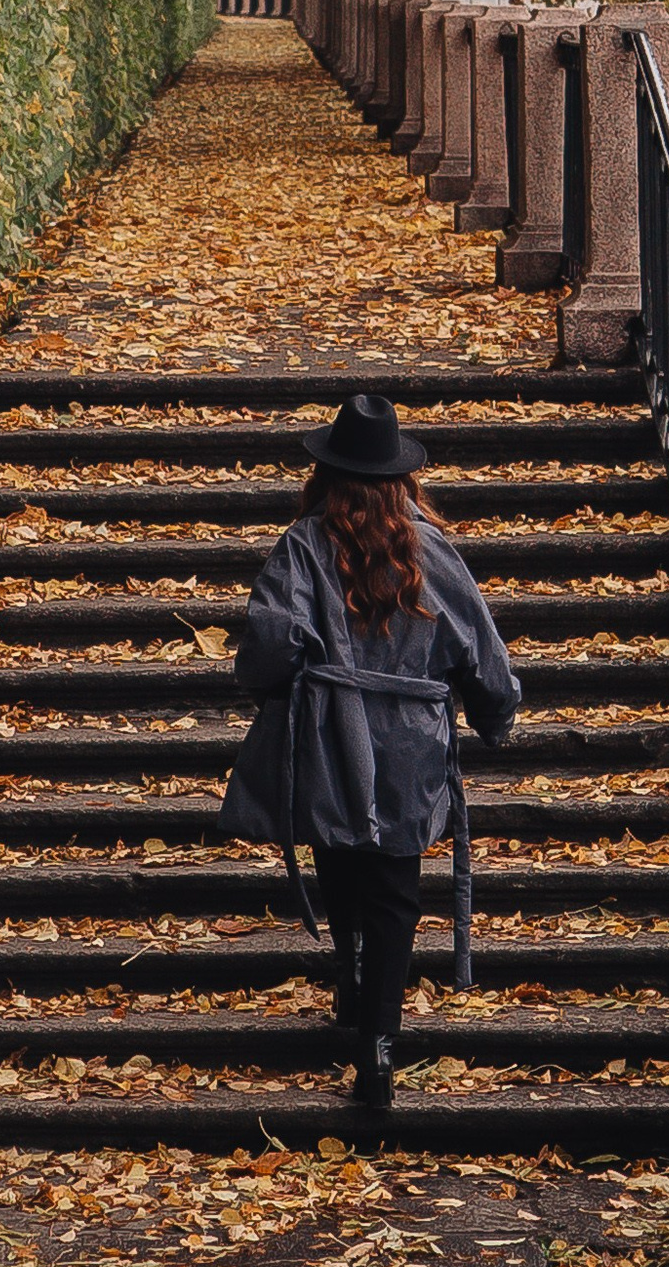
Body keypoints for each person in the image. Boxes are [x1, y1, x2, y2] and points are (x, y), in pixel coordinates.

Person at [218, 390, 522, 1120]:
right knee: (394, 888)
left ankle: (352, 991)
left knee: (343, 864)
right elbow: (480, 650)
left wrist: (283, 681)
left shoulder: (302, 546)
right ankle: (379, 1043)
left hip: (327, 735)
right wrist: (492, 712)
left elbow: (264, 649)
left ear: (326, 475)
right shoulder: (430, 550)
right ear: (400, 480)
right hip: (410, 743)